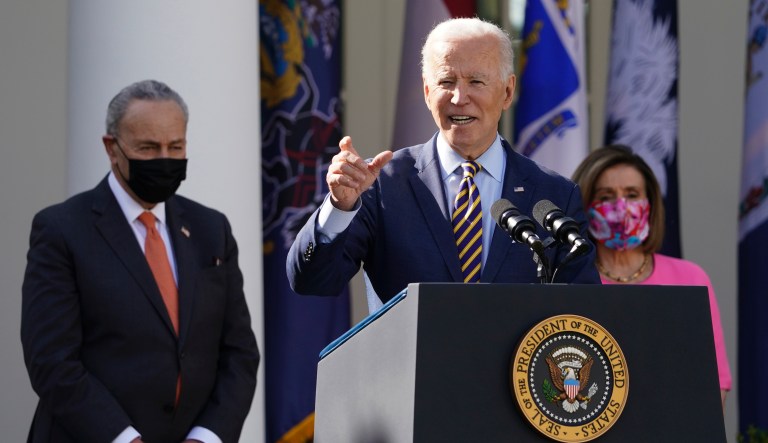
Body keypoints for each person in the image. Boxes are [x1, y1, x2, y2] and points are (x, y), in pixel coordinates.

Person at [287, 17, 600, 311]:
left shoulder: (554, 195)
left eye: (476, 81)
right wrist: (339, 208)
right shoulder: (380, 183)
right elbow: (312, 281)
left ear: (507, 91)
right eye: (446, 81)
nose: (459, 97)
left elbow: (582, 312)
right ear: (426, 90)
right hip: (411, 369)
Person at [21, 80, 260, 443]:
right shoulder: (62, 230)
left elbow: (239, 353)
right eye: (148, 148)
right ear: (111, 148)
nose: (164, 158)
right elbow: (52, 362)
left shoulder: (212, 229)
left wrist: (208, 436)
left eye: (175, 146)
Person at [571, 144, 732, 407]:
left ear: (651, 204)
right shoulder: (569, 281)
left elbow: (714, 384)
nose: (621, 206)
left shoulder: (689, 278)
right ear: (585, 206)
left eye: (632, 194)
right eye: (606, 196)